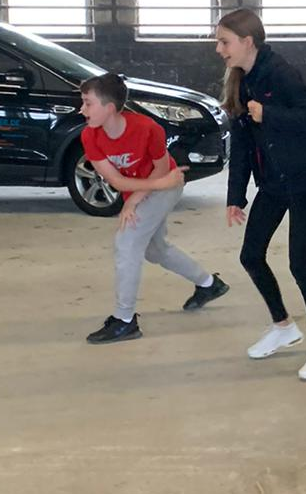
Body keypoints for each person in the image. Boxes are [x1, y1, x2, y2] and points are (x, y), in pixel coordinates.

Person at [215, 8, 306, 380]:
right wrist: (235, 197)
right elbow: (241, 146)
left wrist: (269, 114)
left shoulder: (280, 73)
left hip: (303, 181)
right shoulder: (240, 82)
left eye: (224, 42)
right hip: (271, 184)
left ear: (247, 41)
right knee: (251, 256)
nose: (219, 50)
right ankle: (283, 326)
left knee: (300, 264)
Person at [79, 73, 229, 344]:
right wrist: (135, 197)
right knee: (155, 250)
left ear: (109, 108)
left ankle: (125, 320)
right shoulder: (90, 136)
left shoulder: (148, 128)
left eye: (88, 103)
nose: (82, 109)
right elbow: (115, 181)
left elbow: (161, 171)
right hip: (152, 185)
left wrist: (137, 198)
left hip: (166, 187)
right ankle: (209, 284)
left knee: (127, 243)